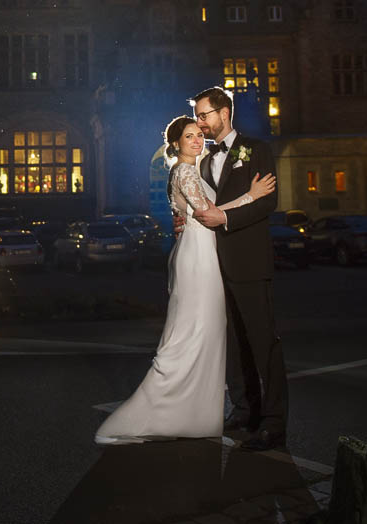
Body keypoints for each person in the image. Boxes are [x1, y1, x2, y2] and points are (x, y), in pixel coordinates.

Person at [95, 116, 275, 445]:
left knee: (204, 332)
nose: (197, 140)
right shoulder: (184, 170)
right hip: (197, 257)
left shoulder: (193, 167)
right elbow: (207, 213)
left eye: (199, 134)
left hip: (201, 251)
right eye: (189, 136)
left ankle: (195, 415)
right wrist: (252, 195)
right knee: (194, 332)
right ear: (176, 143)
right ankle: (168, 411)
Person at [191, 85, 288, 450]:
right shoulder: (202, 160)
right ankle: (245, 409)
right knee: (232, 342)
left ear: (224, 112)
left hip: (248, 260)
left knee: (264, 342)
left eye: (205, 115)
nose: (200, 122)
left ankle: (274, 421)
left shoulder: (256, 149)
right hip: (213, 267)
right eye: (198, 116)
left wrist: (223, 218)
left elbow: (268, 202)